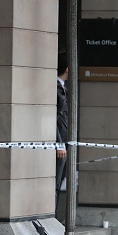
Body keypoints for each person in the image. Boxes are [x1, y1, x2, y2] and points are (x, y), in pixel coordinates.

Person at [55, 52, 69, 217]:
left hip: (64, 142)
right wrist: (59, 143)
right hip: (60, 143)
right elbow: (55, 117)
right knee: (56, 184)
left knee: (59, 183)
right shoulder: (57, 89)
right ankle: (54, 216)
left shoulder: (62, 88)